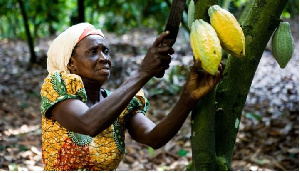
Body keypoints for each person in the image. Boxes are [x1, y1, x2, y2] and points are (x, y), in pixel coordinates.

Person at [40, 23, 223, 171]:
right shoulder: (57, 87)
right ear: (71, 63)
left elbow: (154, 137)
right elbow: (88, 123)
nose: (104, 58)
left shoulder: (121, 103)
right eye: (93, 52)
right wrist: (143, 72)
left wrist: (188, 97)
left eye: (106, 51)